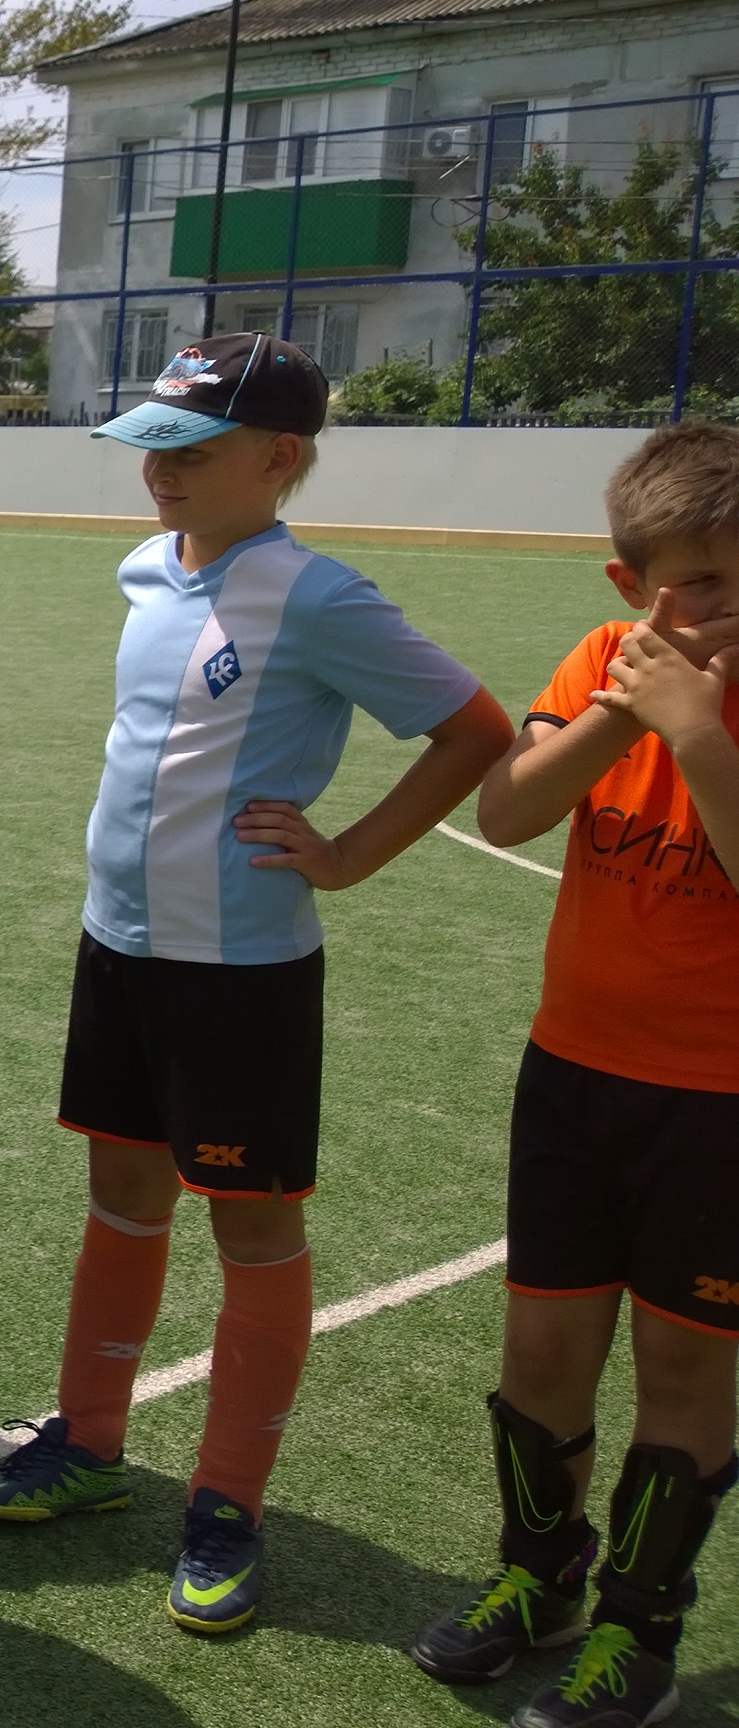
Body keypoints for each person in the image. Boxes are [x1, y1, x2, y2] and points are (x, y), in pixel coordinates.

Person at [0, 334, 514, 1635]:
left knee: (252, 1233)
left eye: (193, 449)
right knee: (121, 1197)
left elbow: (476, 731)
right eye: (151, 443)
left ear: (279, 458)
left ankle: (227, 1505)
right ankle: (91, 1444)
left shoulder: (316, 597)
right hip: (121, 947)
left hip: (240, 975)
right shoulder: (150, 566)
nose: (161, 470)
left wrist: (348, 855)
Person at [408, 420, 739, 1728]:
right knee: (542, 1350)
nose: (722, 604)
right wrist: (628, 706)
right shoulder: (604, 660)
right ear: (629, 586)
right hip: (575, 1075)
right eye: (695, 582)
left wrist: (697, 731)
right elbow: (507, 810)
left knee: (683, 1370)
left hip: (719, 1103)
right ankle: (537, 1580)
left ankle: (637, 1637)